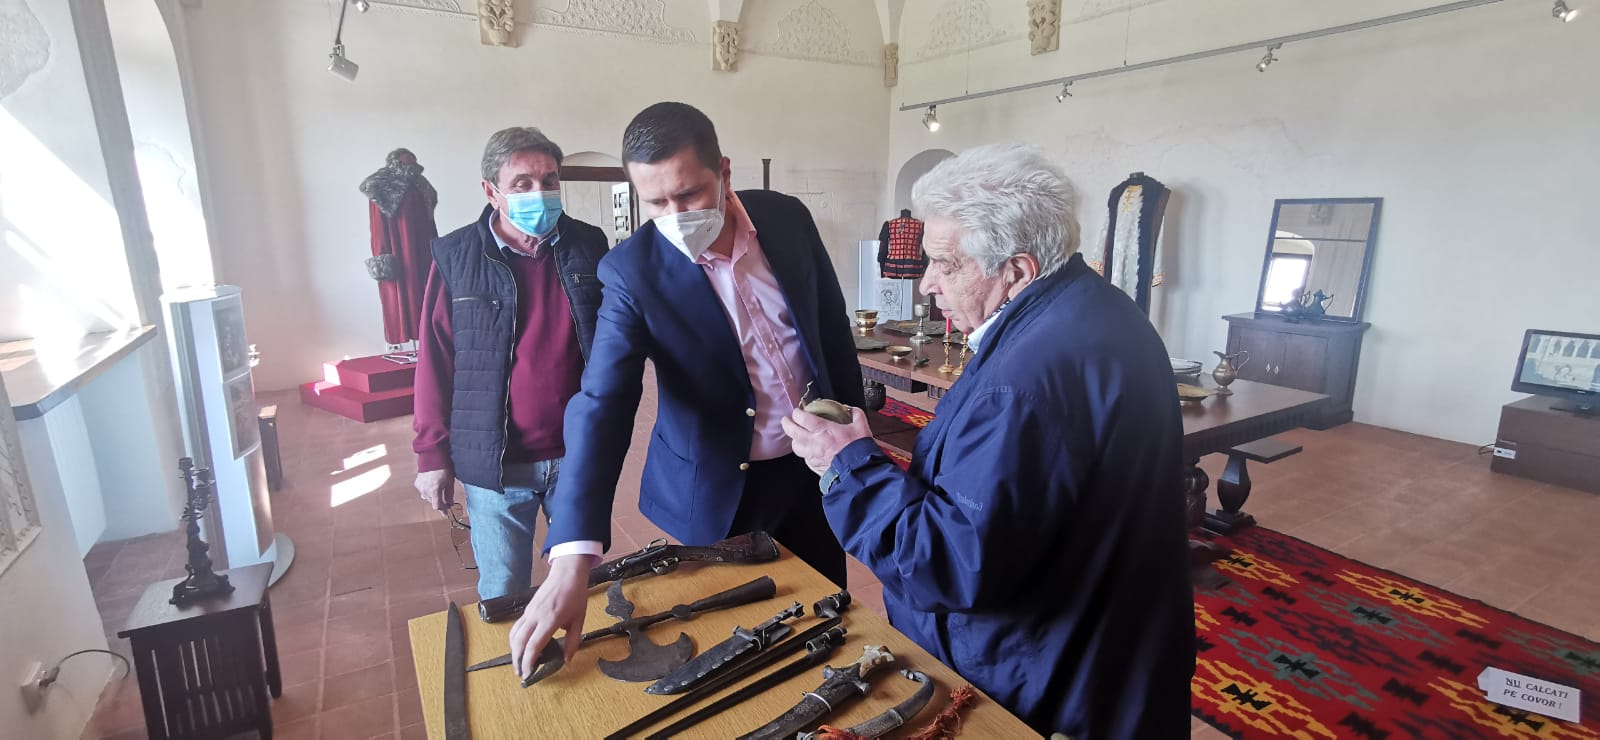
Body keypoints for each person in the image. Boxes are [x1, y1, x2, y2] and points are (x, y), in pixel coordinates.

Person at [783, 143, 1196, 738]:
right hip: (1109, 647)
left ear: (1017, 271)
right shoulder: (1095, 309)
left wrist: (847, 464)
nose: (927, 283)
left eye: (945, 264)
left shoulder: (1025, 381)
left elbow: (949, 563)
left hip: (1055, 679)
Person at [507, 102, 863, 677]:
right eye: (655, 203)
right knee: (732, 651)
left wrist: (854, 443)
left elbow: (831, 328)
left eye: (689, 194)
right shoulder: (632, 271)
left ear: (723, 171)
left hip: (814, 470)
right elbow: (603, 403)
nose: (675, 215)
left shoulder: (786, 219)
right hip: (718, 488)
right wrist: (572, 557)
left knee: (827, 620)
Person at [411, 127, 609, 600]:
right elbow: (435, 360)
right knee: (503, 592)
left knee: (582, 585)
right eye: (522, 183)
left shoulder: (589, 245)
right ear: (491, 191)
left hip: (577, 455)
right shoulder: (456, 256)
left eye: (549, 181)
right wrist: (431, 455)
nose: (539, 193)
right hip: (497, 464)